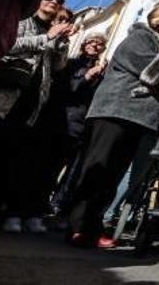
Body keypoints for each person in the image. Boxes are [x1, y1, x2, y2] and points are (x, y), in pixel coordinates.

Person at [66, 4, 159, 248]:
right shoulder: (139, 37)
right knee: (97, 168)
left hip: (138, 118)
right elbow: (150, 72)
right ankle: (77, 225)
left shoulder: (158, 45)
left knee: (112, 174)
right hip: (114, 112)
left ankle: (92, 227)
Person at [0, 0, 73, 233]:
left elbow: (58, 67)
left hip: (30, 104)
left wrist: (61, 42)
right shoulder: (22, 19)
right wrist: (46, 38)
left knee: (7, 158)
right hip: (0, 98)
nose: (54, 2)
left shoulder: (51, 31)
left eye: (59, 0)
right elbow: (7, 44)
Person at [48, 33, 108, 217]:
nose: (95, 46)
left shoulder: (102, 71)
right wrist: (87, 77)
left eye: (100, 44)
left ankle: (58, 206)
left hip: (86, 126)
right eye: (92, 42)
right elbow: (68, 89)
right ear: (84, 44)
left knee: (74, 172)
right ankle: (38, 205)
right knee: (53, 166)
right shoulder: (72, 63)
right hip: (66, 122)